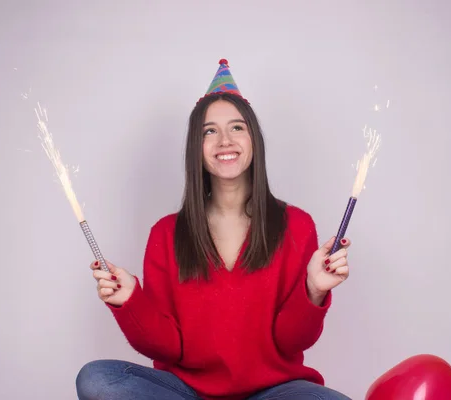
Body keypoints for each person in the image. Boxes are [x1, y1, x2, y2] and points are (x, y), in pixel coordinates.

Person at [76, 59, 353, 400]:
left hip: (273, 392)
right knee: (98, 379)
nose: (225, 140)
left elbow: (292, 341)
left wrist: (313, 290)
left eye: (237, 128)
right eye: (210, 131)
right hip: (188, 394)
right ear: (197, 146)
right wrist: (131, 299)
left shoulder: (296, 225)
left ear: (254, 140)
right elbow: (168, 348)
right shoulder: (165, 234)